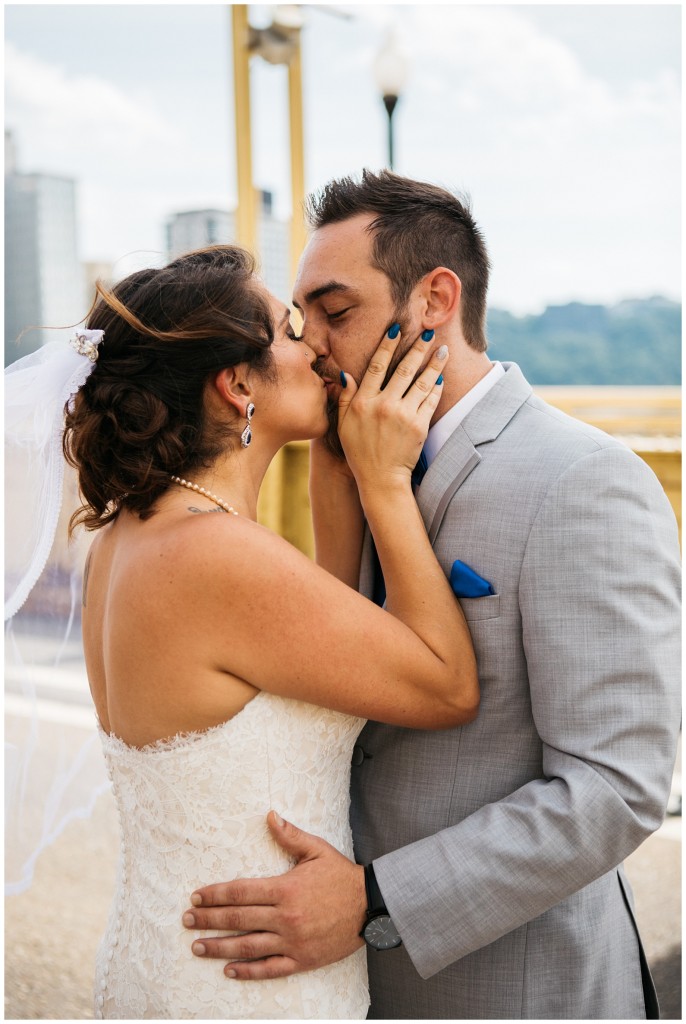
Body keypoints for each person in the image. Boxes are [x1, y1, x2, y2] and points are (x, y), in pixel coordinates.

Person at [183, 172, 682, 1020]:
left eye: (337, 315)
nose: (316, 350)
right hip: (339, 990)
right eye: (306, 325)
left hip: (518, 989)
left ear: (436, 300)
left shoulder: (584, 481)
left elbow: (617, 785)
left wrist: (377, 900)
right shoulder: (347, 462)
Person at [8, 244, 478, 1020]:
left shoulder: (134, 538)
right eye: (294, 334)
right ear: (235, 387)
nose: (319, 349)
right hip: (243, 985)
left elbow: (308, 650)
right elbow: (447, 683)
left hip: (169, 956)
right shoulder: (215, 557)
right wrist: (387, 485)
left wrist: (338, 467)